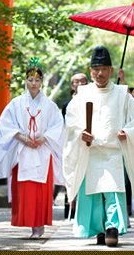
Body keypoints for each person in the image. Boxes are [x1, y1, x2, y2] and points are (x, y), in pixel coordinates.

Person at [63, 45, 134, 247]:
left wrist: (126, 132)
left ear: (111, 70)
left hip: (112, 152)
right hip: (90, 152)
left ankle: (112, 228)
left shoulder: (122, 93)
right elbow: (71, 123)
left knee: (113, 190)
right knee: (92, 194)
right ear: (90, 71)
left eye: (104, 69)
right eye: (96, 69)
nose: (100, 73)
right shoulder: (82, 94)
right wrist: (80, 134)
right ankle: (98, 230)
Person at [0, 57, 65, 239]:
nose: (34, 83)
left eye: (37, 80)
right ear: (25, 81)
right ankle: (32, 226)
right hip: (22, 152)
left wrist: (44, 138)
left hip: (42, 151)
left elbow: (58, 126)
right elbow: (6, 124)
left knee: (41, 190)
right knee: (26, 190)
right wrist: (22, 138)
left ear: (42, 82)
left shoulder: (50, 105)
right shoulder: (16, 103)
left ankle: (40, 225)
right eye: (30, 80)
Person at [55, 72, 89, 218]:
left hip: (89, 144)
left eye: (83, 81)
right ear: (72, 85)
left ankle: (85, 207)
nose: (80, 84)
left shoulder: (93, 101)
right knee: (71, 175)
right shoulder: (66, 105)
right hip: (72, 144)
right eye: (77, 81)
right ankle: (70, 208)